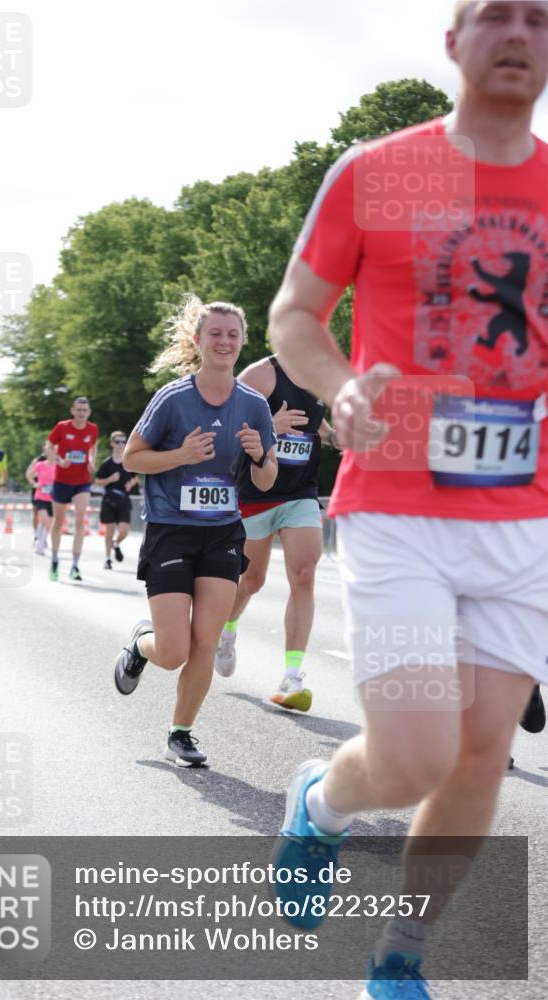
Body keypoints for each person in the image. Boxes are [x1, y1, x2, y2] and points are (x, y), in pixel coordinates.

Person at [267, 2, 548, 997]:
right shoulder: (378, 171)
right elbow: (295, 314)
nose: (518, 34)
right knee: (417, 755)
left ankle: (398, 956)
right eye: (494, 16)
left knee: (479, 755)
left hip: (525, 513)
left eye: (538, 19)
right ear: (452, 41)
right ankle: (320, 805)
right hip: (397, 499)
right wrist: (340, 385)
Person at [112, 295, 278, 765]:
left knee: (205, 641)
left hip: (223, 533)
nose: (225, 342)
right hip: (171, 530)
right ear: (198, 340)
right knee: (173, 652)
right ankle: (141, 646)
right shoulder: (173, 398)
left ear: (243, 342)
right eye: (215, 334)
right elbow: (132, 458)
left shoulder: (254, 405)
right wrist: (181, 456)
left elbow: (268, 479)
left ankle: (181, 733)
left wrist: (259, 455)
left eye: (233, 334)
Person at [215, 354, 340, 710]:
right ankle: (227, 630)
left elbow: (312, 419)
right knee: (251, 581)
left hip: (300, 493)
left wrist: (332, 436)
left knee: (304, 576)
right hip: (255, 494)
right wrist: (270, 425)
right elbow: (222, 428)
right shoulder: (260, 375)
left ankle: (292, 677)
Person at [46, 397, 98, 582]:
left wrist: (91, 461)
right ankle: (54, 560)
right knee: (58, 522)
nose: (81, 413)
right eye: (79, 410)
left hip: (82, 481)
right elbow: (49, 447)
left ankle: (75, 565)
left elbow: (93, 447)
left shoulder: (93, 429)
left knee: (80, 520)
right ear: (72, 410)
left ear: (89, 412)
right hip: (62, 480)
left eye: (85, 410)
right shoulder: (62, 427)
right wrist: (59, 461)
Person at [95, 431, 138, 570]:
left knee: (124, 530)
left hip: (124, 500)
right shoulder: (106, 464)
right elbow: (97, 481)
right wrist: (110, 479)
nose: (121, 445)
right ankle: (108, 559)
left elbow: (135, 478)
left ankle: (116, 543)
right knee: (109, 530)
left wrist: (130, 484)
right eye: (118, 442)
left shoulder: (128, 461)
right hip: (109, 499)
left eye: (123, 442)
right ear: (112, 444)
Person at [27, 450, 56, 555]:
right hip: (40, 496)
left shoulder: (59, 467)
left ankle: (40, 542)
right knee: (44, 519)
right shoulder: (40, 465)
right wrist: (34, 484)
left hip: (52, 499)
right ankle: (39, 542)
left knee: (48, 523)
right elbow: (29, 475)